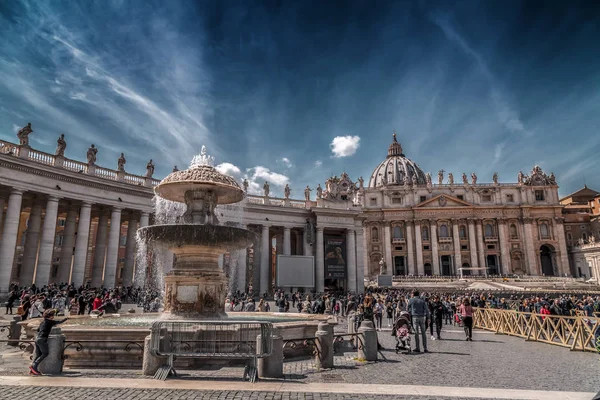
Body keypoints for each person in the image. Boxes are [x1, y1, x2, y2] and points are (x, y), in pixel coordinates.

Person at [29, 309, 69, 375]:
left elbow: (38, 330)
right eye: (53, 315)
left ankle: (33, 369)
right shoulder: (50, 322)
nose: (53, 317)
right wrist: (66, 318)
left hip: (37, 339)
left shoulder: (42, 322)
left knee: (38, 354)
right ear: (51, 316)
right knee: (45, 353)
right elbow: (59, 322)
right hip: (42, 339)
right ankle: (34, 366)